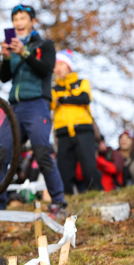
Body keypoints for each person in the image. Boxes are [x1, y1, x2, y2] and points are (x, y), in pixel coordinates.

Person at [0, 4, 67, 217]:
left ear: (32, 21)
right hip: (13, 106)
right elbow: (4, 77)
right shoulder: (12, 47)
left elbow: (45, 69)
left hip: (37, 105)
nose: (18, 23)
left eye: (23, 18)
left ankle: (58, 202)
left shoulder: (44, 45)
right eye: (15, 19)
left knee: (42, 153)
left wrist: (24, 54)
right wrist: (6, 57)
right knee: (1, 152)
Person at [51, 49, 101, 193]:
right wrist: (69, 98)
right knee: (64, 169)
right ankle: (66, 197)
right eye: (56, 65)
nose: (58, 68)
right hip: (63, 131)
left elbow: (85, 98)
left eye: (61, 64)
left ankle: (96, 192)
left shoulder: (82, 82)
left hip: (83, 128)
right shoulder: (54, 88)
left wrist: (64, 98)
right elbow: (52, 104)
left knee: (89, 165)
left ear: (68, 65)